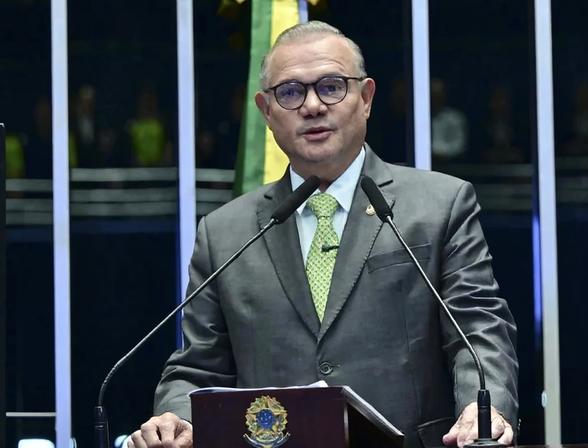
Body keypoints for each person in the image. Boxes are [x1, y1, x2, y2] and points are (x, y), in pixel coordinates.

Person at [128, 21, 518, 448]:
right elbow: (198, 368)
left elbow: (478, 330)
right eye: (291, 93)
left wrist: (485, 408)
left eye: (332, 87)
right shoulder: (224, 233)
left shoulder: (439, 205)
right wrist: (177, 417)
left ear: (366, 98)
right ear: (266, 111)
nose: (312, 106)